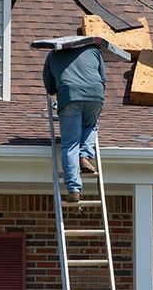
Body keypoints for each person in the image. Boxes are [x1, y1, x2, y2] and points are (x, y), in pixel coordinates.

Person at [42, 44, 106, 203]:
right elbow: (103, 79)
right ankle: (84, 156)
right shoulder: (92, 50)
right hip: (95, 94)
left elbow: (50, 88)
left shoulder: (53, 54)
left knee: (70, 143)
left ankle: (74, 189)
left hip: (69, 95)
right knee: (90, 125)